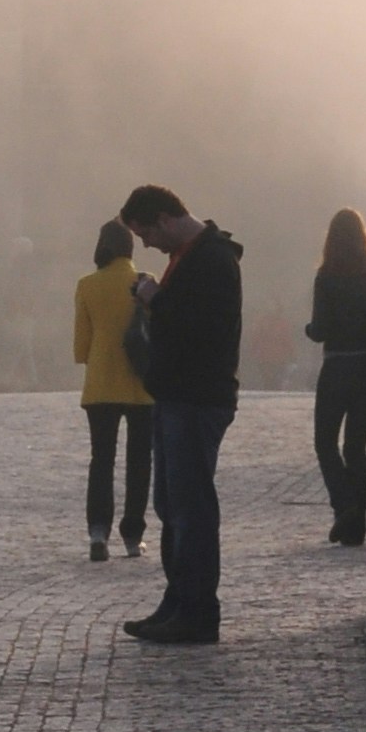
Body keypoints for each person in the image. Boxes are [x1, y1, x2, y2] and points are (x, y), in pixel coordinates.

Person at [118, 183, 242, 648]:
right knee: (172, 504)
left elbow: (199, 329)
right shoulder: (193, 256)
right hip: (177, 396)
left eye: (146, 234)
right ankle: (178, 601)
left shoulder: (211, 260)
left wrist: (154, 298)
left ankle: (197, 611)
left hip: (196, 397)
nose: (147, 244)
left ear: (165, 220)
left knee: (191, 509)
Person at [305, 208, 366, 546]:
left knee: (325, 441)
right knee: (355, 446)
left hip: (337, 368)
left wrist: (309, 329)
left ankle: (345, 505)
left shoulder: (327, 275)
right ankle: (356, 526)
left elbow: (319, 330)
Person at [72, 218, 152, 563]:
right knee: (139, 461)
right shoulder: (145, 284)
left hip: (101, 383)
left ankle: (97, 532)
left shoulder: (87, 285)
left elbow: (81, 347)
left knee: (101, 460)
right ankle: (133, 535)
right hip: (141, 383)